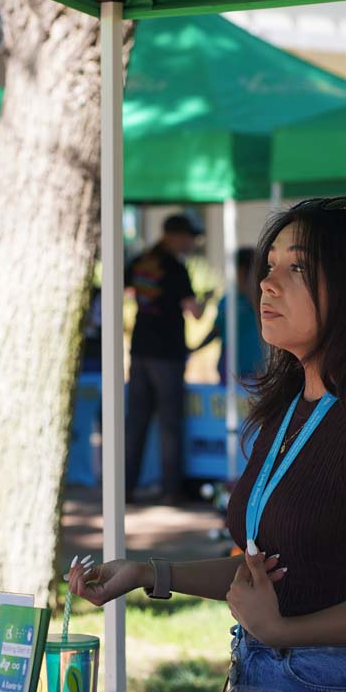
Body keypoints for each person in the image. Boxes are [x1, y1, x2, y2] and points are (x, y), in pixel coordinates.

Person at [72, 197, 346, 692]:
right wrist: (149, 573)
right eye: (269, 265)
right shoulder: (291, 406)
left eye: (297, 268)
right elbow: (267, 568)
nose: (267, 284)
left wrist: (284, 629)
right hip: (261, 677)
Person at [124, 213, 206, 503]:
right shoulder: (175, 268)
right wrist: (206, 302)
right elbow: (194, 311)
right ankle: (171, 491)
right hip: (167, 354)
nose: (192, 242)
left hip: (140, 349)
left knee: (135, 421)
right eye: (189, 236)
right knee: (170, 424)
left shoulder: (142, 260)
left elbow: (125, 290)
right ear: (175, 236)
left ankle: (125, 488)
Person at [193, 248, 264, 383]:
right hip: (228, 366)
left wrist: (250, 276)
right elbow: (217, 330)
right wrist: (194, 349)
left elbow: (252, 299)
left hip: (254, 368)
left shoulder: (259, 298)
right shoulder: (227, 298)